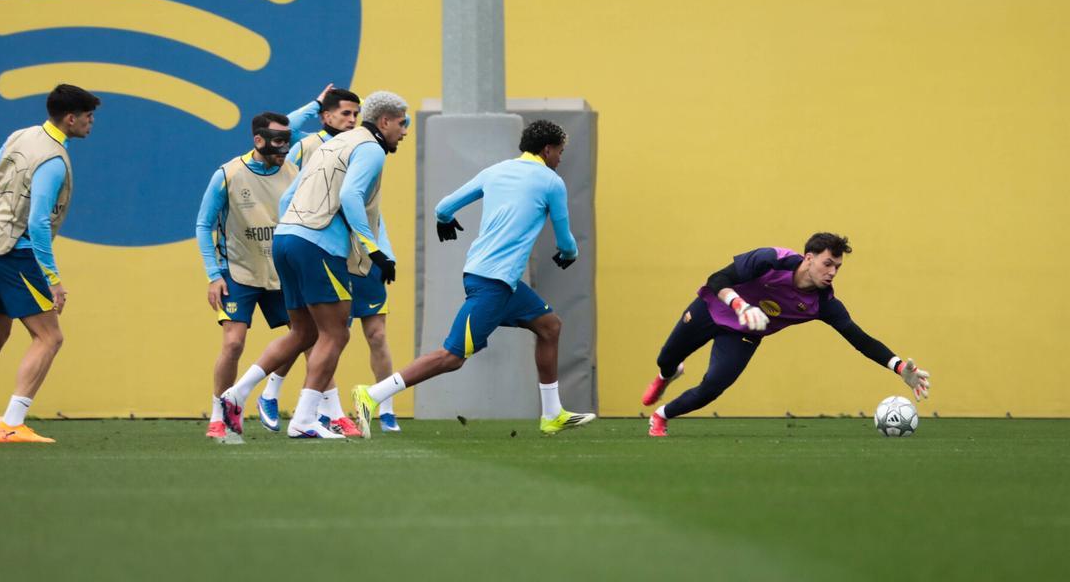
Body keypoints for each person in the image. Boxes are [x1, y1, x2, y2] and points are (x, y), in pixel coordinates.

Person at [351, 119, 594, 438]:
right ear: (547, 150)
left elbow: (444, 207)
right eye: (560, 152)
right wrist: (570, 253)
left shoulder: (496, 170)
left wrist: (444, 220)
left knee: (550, 326)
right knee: (452, 357)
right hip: (493, 282)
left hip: (492, 277)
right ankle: (372, 395)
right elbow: (564, 240)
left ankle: (552, 415)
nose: (560, 158)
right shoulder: (551, 181)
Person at [220, 91, 409, 439]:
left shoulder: (330, 145)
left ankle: (237, 393)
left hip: (287, 239)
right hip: (318, 244)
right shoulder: (370, 148)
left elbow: (290, 195)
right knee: (336, 332)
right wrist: (375, 250)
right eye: (402, 123)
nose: (405, 131)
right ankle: (305, 419)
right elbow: (351, 196)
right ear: (384, 122)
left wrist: (290, 232)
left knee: (303, 332)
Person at [640, 233, 932, 437]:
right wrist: (740, 305)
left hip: (744, 333)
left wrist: (897, 367)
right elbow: (718, 279)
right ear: (808, 258)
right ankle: (668, 374)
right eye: (827, 264)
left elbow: (859, 338)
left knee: (714, 386)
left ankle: (661, 416)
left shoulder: (824, 303)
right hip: (712, 307)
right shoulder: (771, 259)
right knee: (666, 358)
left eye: (838, 267)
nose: (832, 272)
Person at [0, 83, 100, 444]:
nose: (91, 122)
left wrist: (3, 215)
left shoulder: (21, 135)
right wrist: (53, 280)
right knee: (49, 337)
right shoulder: (53, 160)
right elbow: (38, 223)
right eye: (88, 116)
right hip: (16, 253)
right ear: (70, 119)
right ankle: (11, 423)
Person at [196, 90, 329, 439]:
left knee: (307, 338)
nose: (284, 149)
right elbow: (203, 225)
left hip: (280, 272)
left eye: (288, 142)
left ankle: (289, 400)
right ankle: (219, 414)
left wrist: (315, 106)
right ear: (258, 140)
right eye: (277, 143)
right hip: (238, 271)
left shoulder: (293, 170)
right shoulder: (227, 175)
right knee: (233, 343)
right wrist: (213, 275)